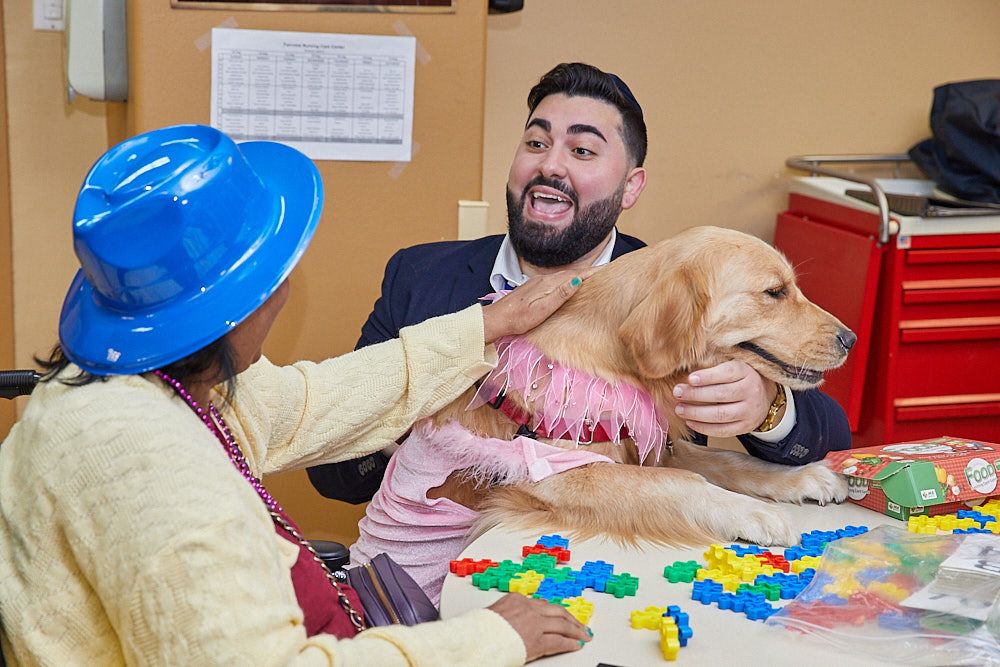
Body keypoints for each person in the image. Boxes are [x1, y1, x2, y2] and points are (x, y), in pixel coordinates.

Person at [0, 125, 594, 665]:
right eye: (279, 271)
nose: (286, 289)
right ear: (244, 301)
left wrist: (485, 325)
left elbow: (308, 403)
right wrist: (491, 637)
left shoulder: (157, 380)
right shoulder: (147, 466)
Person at [308, 62, 851, 505]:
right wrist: (422, 411)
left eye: (583, 151)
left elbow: (832, 437)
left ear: (630, 187)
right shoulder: (420, 276)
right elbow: (333, 474)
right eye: (536, 144)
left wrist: (767, 408)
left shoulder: (677, 292)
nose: (552, 167)